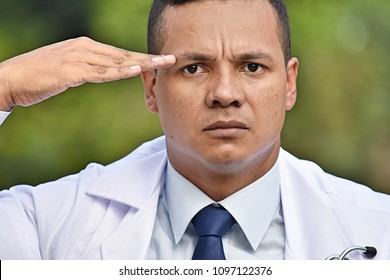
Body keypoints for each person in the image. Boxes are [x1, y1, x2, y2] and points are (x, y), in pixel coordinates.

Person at [0, 0, 389, 260]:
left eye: (252, 67)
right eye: (193, 68)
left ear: (289, 84)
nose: (224, 94)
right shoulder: (46, 223)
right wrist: (5, 86)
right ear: (152, 87)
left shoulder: (378, 227)